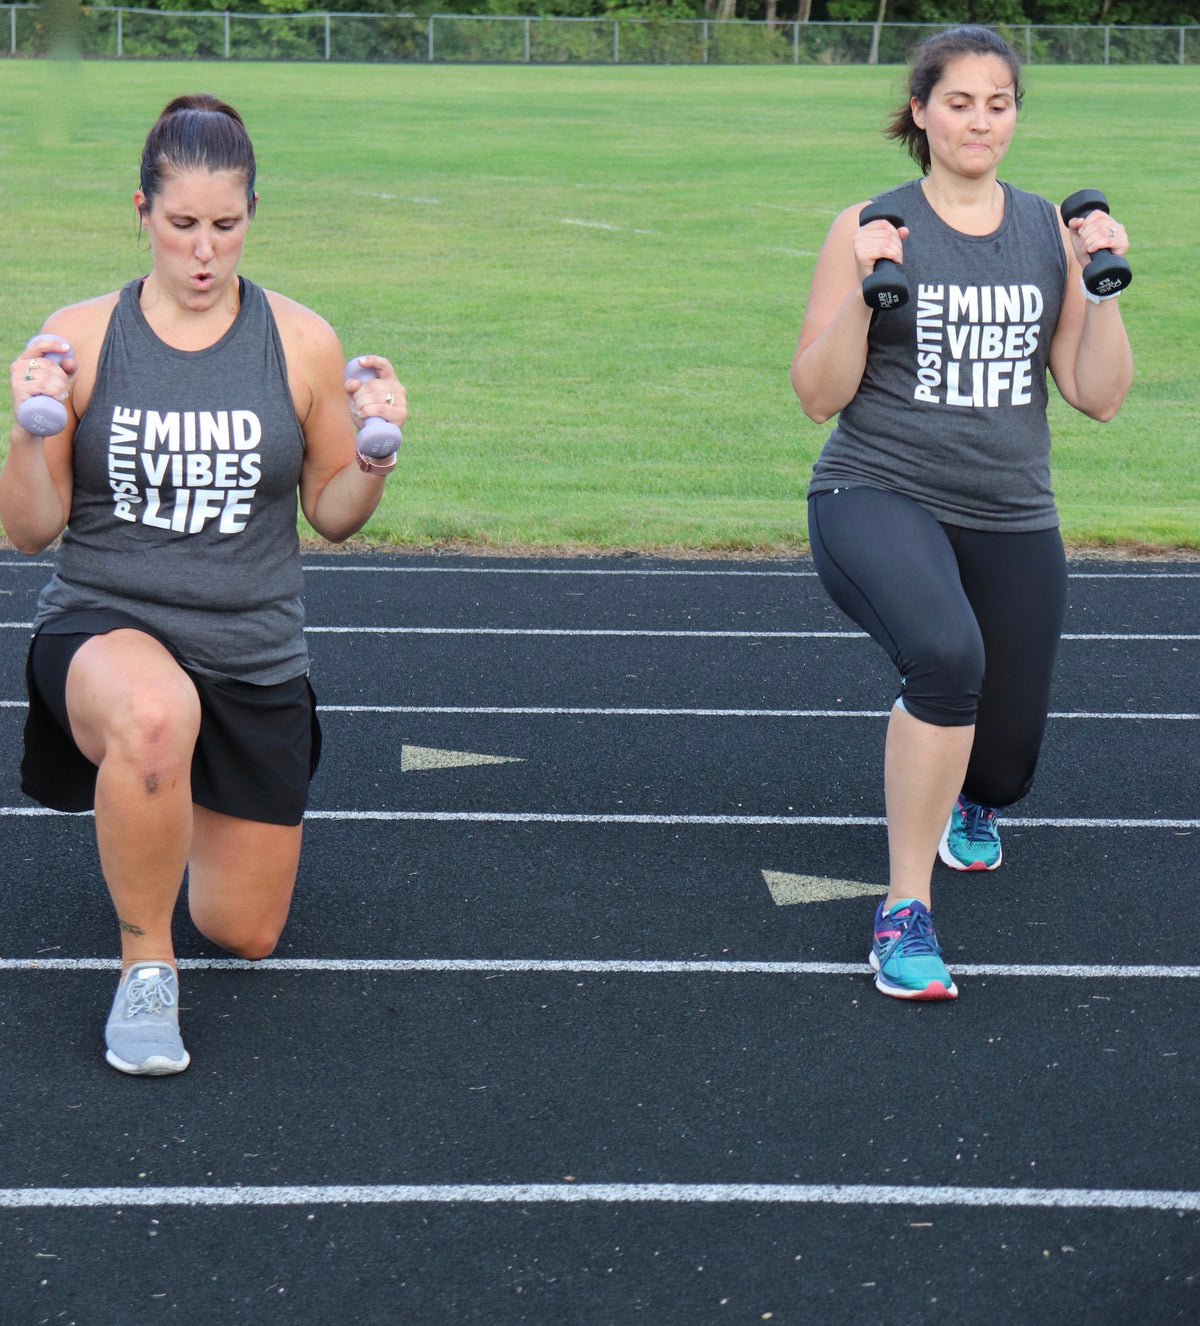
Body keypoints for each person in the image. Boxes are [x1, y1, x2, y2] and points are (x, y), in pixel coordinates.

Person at [2, 94, 407, 1072]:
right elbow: (27, 533)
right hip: (108, 627)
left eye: (226, 226)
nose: (203, 251)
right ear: (139, 210)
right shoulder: (84, 336)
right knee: (151, 719)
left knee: (245, 929)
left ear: (253, 215)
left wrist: (378, 454)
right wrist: (28, 425)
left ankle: (157, 814)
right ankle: (146, 966)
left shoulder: (299, 341)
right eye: (181, 224)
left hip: (251, 651)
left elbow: (332, 514)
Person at [790, 27, 1132, 1001]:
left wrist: (1101, 283)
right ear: (920, 112)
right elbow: (817, 394)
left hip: (1011, 510)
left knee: (1008, 763)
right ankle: (906, 910)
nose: (979, 119)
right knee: (947, 658)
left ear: (1014, 116)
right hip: (877, 489)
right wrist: (864, 290)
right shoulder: (871, 221)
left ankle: (972, 799)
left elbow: (1097, 394)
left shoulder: (1047, 235)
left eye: (998, 102)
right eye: (959, 101)